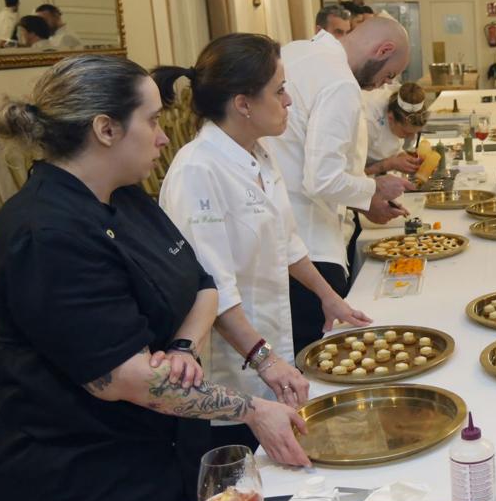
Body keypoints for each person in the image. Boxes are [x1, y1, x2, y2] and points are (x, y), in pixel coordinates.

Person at [0, 55, 310, 501]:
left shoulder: (125, 196)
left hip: (154, 457)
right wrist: (251, 409)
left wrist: (181, 348)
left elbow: (203, 285)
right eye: (153, 121)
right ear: (105, 129)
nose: (163, 138)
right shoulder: (47, 232)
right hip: (81, 487)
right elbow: (123, 380)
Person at [156, 33, 372, 452]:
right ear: (243, 104)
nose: (289, 100)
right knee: (244, 469)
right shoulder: (198, 171)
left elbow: (287, 242)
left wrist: (330, 298)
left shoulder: (259, 154)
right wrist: (264, 359)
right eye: (279, 90)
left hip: (268, 351)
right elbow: (214, 287)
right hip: (230, 369)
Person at [267, 15, 413, 353]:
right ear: (383, 49)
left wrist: (362, 199)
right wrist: (373, 190)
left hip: (279, 231)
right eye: (387, 74)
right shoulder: (340, 82)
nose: (381, 85)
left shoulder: (296, 51)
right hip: (310, 241)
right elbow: (322, 178)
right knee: (318, 356)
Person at [364, 81, 429, 176]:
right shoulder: (367, 122)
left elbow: (390, 144)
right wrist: (390, 164)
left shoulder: (398, 106)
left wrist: (402, 156)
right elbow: (347, 176)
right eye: (406, 133)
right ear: (391, 118)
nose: (411, 138)